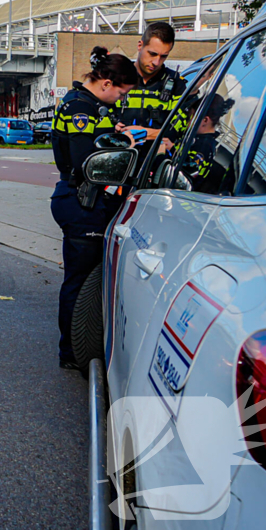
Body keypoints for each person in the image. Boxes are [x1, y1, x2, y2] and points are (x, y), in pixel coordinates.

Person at [50, 47, 140, 370]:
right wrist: (124, 146)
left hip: (78, 198)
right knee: (80, 283)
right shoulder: (81, 108)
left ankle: (77, 348)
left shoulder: (85, 103)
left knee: (83, 279)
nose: (120, 100)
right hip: (81, 200)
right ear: (106, 83)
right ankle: (72, 353)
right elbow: (84, 161)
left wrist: (110, 133)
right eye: (121, 93)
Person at [115, 22, 188, 142]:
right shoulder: (117, 76)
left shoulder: (176, 83)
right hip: (120, 151)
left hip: (156, 153)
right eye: (152, 54)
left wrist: (143, 133)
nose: (156, 62)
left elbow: (180, 130)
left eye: (163, 56)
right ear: (140, 45)